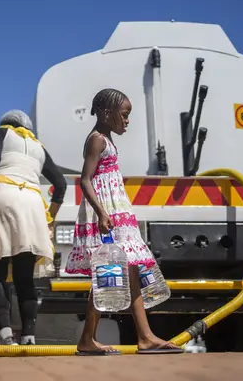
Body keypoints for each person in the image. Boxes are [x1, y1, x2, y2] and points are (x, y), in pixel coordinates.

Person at [65, 88, 183, 355]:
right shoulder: (97, 140)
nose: (128, 120)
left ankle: (139, 336)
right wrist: (102, 213)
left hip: (116, 212)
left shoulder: (107, 139)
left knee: (125, 270)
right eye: (124, 115)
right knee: (112, 270)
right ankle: (137, 336)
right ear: (107, 113)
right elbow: (85, 180)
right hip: (106, 213)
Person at [0, 110, 66, 345]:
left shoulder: (0, 133)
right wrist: (52, 212)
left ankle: (5, 334)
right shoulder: (38, 146)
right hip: (33, 204)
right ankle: (29, 337)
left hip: (4, 195)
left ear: (6, 123)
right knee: (24, 276)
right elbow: (60, 182)